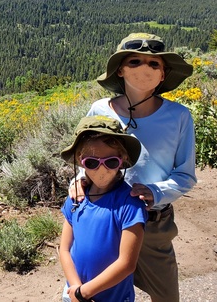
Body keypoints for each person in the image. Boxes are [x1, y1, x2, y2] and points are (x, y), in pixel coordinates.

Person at [72, 32, 196, 302]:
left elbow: (186, 175)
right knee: (96, 293)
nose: (145, 69)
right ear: (120, 70)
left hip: (153, 224)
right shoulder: (99, 109)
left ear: (163, 74)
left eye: (154, 64)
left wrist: (155, 192)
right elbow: (86, 156)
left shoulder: (179, 117)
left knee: (166, 296)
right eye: (135, 62)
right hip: (103, 216)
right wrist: (79, 179)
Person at [59, 115, 146, 302]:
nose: (101, 169)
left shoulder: (129, 204)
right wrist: (75, 289)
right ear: (81, 161)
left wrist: (84, 293)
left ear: (121, 160)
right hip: (73, 292)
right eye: (92, 162)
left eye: (111, 162)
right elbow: (64, 249)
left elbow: (126, 264)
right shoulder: (76, 199)